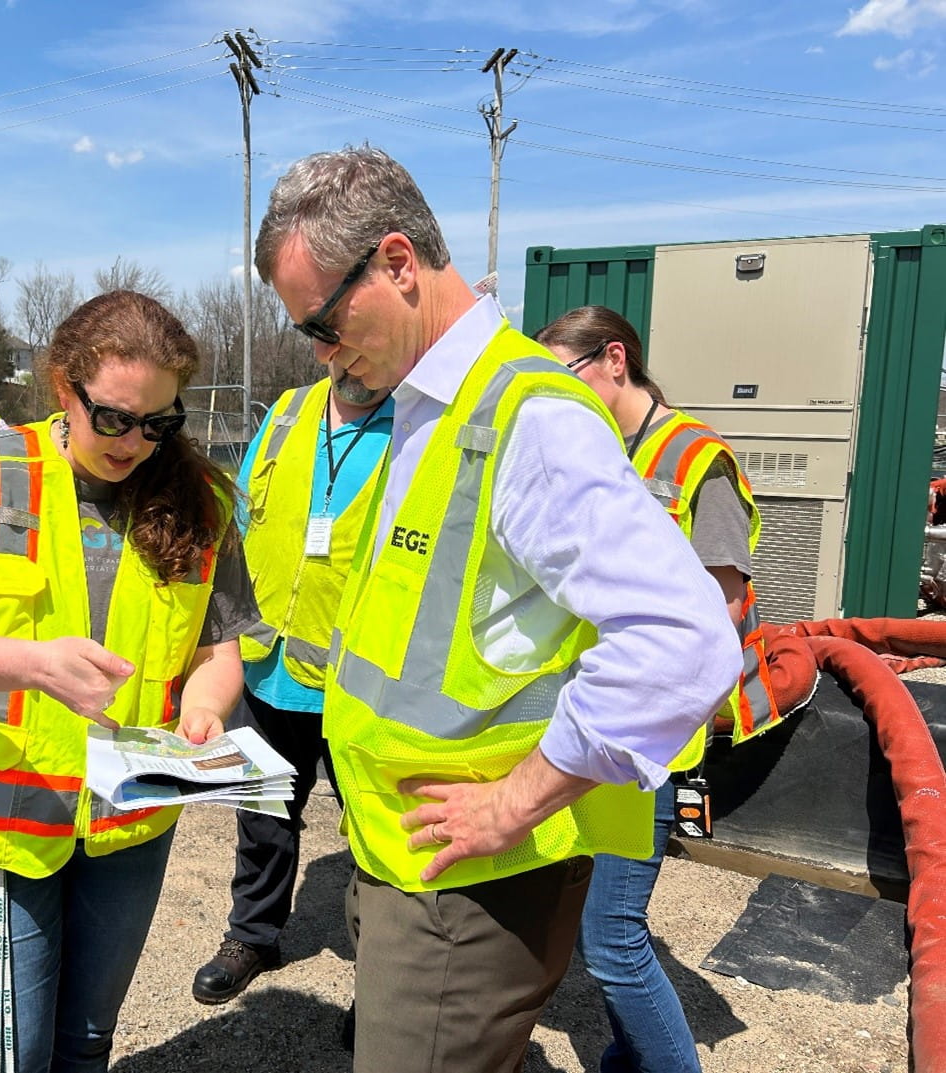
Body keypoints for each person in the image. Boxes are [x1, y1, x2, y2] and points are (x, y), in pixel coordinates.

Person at [254, 145, 742, 1073]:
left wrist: (516, 802)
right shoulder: (427, 406)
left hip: (472, 889)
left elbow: (687, 638)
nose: (319, 351)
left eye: (323, 320)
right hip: (412, 864)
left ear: (398, 262)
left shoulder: (529, 418)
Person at [0, 290, 257, 1073]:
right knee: (12, 1057)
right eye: (113, 417)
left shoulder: (202, 502)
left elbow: (216, 649)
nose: (135, 443)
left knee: (86, 1045)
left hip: (128, 826)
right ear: (62, 386)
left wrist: (207, 714)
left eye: (160, 423)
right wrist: (36, 665)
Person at [536, 305, 781, 1073]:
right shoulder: (598, 447)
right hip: (606, 714)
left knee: (611, 939)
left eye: (561, 376)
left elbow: (725, 607)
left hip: (660, 729)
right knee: (601, 927)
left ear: (615, 359)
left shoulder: (695, 458)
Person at [191, 368, 393, 1005]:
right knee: (263, 813)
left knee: (374, 836)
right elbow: (240, 521)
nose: (346, 358)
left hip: (358, 684)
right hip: (265, 663)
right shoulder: (285, 411)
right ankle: (253, 935)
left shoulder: (417, 423)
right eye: (327, 337)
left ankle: (385, 985)